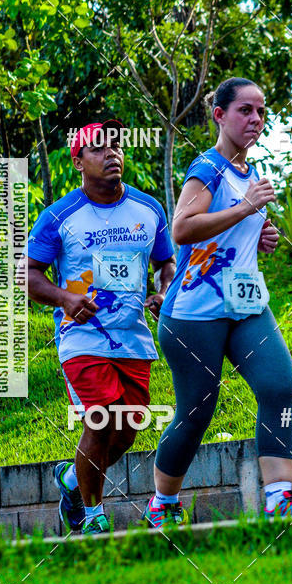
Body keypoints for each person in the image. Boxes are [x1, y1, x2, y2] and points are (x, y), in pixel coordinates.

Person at [143, 77, 292, 528]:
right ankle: (163, 502)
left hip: (245, 305)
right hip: (193, 313)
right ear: (220, 115)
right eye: (245, 110)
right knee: (197, 411)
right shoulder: (207, 167)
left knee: (278, 386)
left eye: (261, 112)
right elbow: (182, 228)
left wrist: (260, 235)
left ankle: (279, 498)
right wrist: (244, 210)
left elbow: (227, 231)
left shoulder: (248, 172)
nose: (256, 120)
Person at [26, 121, 175, 535]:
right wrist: (67, 299)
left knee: (126, 431)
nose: (112, 154)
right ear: (78, 161)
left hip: (133, 337)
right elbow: (31, 275)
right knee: (100, 417)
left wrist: (164, 292)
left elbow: (167, 261)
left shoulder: (148, 209)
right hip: (83, 337)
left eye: (116, 147)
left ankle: (72, 479)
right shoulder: (59, 216)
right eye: (97, 149)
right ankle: (93, 517)